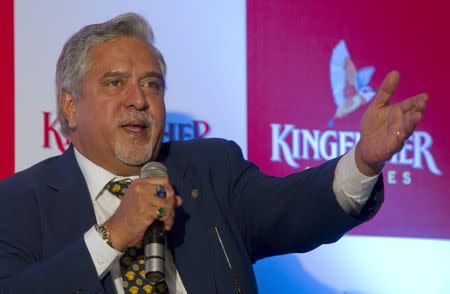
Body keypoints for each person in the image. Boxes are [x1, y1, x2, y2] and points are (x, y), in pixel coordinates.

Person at [0, 13, 428, 294]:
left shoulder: (209, 171)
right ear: (70, 106)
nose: (138, 100)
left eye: (152, 84)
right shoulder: (18, 203)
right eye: (115, 83)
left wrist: (363, 162)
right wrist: (111, 234)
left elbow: (294, 209)